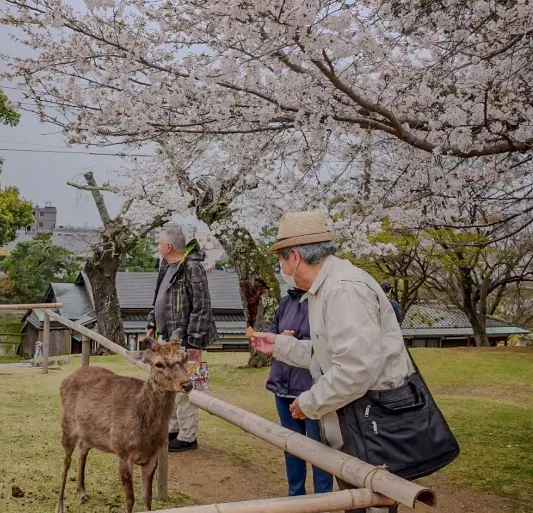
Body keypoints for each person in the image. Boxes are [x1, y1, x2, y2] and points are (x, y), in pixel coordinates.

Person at [252, 212, 413, 513]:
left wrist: (309, 402)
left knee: (372, 497)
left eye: (281, 260)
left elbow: (355, 369)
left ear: (295, 257)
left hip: (373, 417)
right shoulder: (326, 289)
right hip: (360, 414)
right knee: (356, 495)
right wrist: (281, 346)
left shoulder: (343, 289)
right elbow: (330, 352)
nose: (281, 268)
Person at [147, 227, 217, 452]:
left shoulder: (192, 267)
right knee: (169, 383)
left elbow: (202, 305)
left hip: (187, 341)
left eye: (159, 243)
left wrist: (195, 342)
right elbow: (159, 298)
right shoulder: (166, 266)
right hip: (167, 339)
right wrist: (152, 323)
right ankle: (174, 428)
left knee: (188, 386)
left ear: (168, 247)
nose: (158, 247)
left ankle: (188, 436)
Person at [266, 287, 333, 497]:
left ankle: (324, 500)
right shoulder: (286, 301)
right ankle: (295, 496)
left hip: (311, 388)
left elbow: (327, 344)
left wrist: (295, 342)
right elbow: (271, 332)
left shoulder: (324, 301)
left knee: (318, 448)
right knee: (291, 446)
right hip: (282, 384)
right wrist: (280, 338)